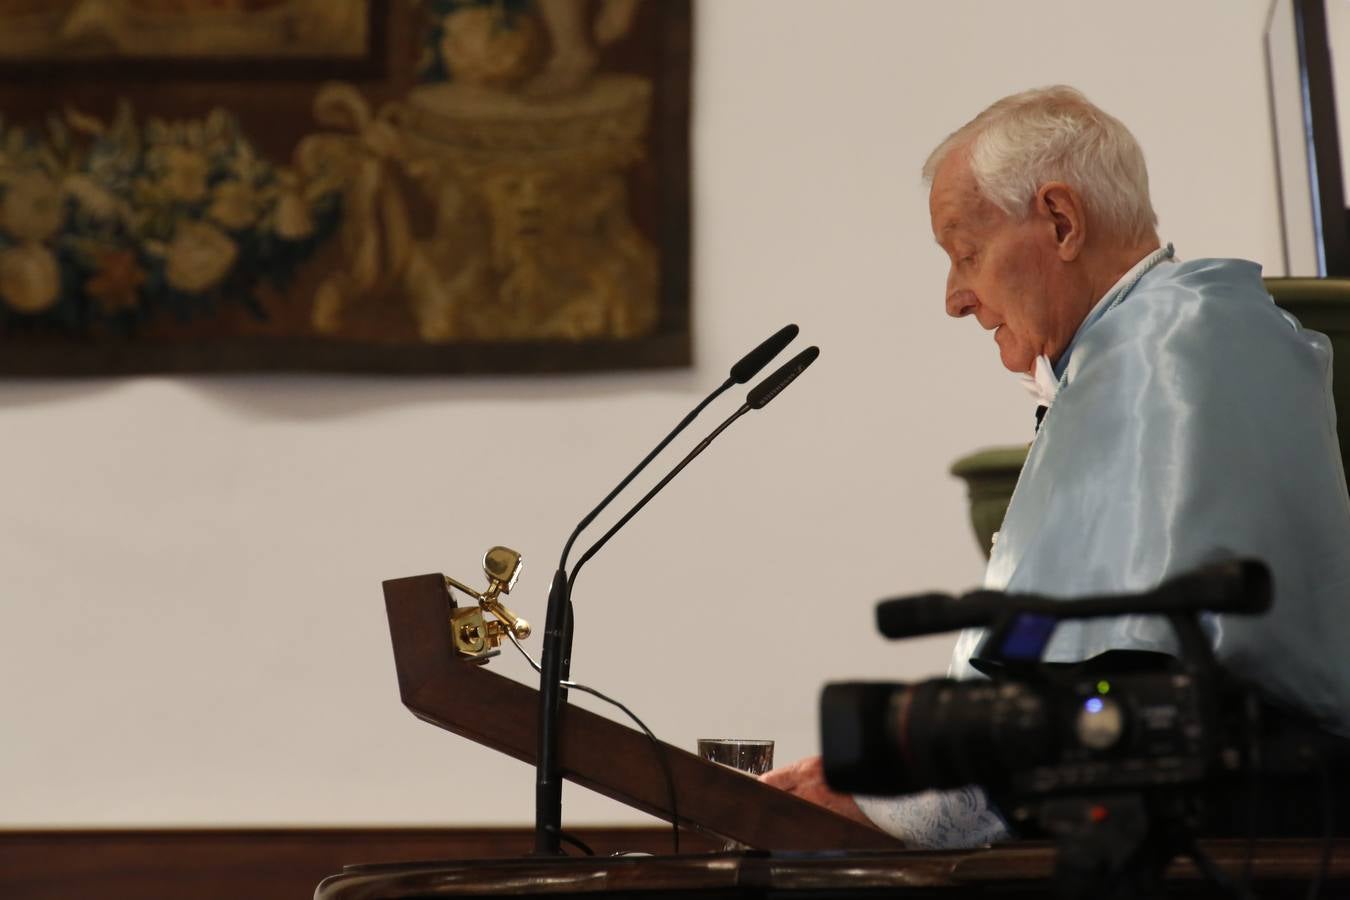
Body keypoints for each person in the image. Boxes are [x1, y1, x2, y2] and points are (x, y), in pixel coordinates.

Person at [762, 85, 1350, 848]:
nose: (954, 298)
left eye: (966, 253)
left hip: (1237, 836)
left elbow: (1117, 698)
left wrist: (883, 800)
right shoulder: (1137, 350)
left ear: (1062, 221)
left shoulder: (1171, 351)